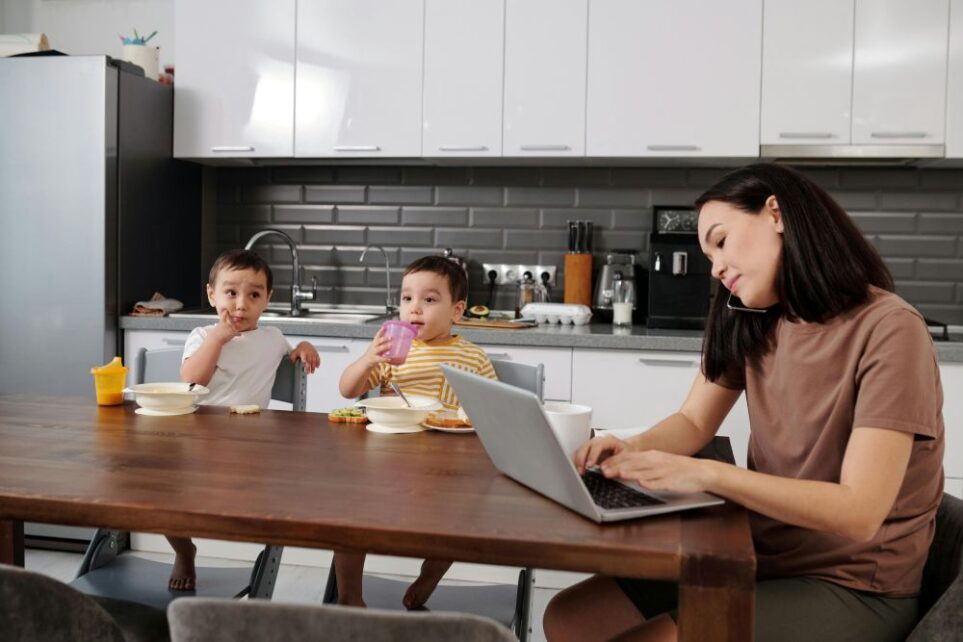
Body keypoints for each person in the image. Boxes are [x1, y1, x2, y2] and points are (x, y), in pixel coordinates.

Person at [543, 163, 944, 642]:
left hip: (852, 583)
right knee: (570, 617)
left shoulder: (889, 328)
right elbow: (694, 419)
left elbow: (860, 511)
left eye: (721, 241)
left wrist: (711, 475)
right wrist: (629, 448)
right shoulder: (756, 317)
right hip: (753, 551)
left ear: (775, 213)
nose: (714, 267)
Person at [336, 255, 497, 608]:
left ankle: (430, 576)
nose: (415, 309)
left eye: (429, 299)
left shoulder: (473, 358)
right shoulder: (395, 353)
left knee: (460, 522)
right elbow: (348, 390)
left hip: (446, 465)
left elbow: (492, 413)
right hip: (387, 456)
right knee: (349, 517)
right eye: (407, 298)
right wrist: (367, 359)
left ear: (457, 311)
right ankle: (349, 596)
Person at [167, 248, 321, 591]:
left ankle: (263, 562)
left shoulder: (273, 338)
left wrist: (305, 346)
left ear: (267, 299)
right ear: (211, 295)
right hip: (200, 434)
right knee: (163, 496)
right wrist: (218, 340)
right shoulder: (202, 336)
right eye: (230, 293)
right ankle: (183, 549)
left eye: (253, 295)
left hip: (252, 441)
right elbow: (192, 381)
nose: (240, 304)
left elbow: (291, 353)